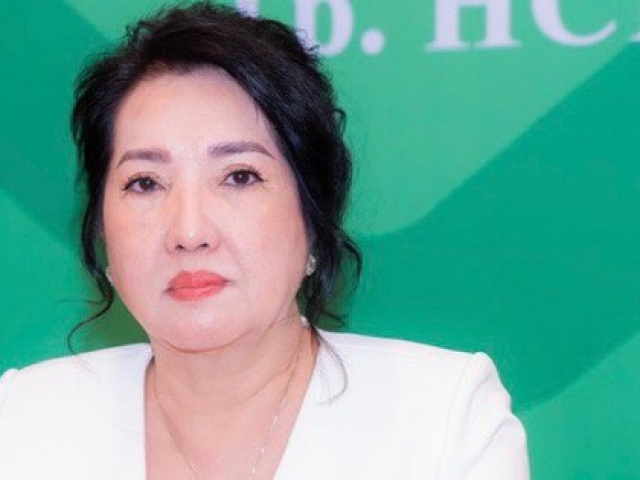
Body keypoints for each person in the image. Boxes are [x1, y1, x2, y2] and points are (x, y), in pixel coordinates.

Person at [0, 2, 529, 479]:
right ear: (101, 229)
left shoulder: (443, 421)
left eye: (239, 176)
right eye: (145, 183)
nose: (189, 232)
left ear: (314, 216)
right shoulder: (23, 423)